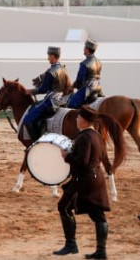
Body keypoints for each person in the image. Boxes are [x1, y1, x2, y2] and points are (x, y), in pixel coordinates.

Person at [54, 106, 110, 258]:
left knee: (63, 207)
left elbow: (82, 161)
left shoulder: (85, 137)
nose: (77, 119)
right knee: (98, 215)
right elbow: (101, 155)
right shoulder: (96, 135)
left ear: (84, 121)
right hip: (97, 178)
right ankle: (101, 251)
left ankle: (71, 245)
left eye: (78, 117)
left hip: (84, 180)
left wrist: (67, 156)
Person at [23, 46, 71, 142]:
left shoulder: (50, 71)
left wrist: (31, 91)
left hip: (51, 100)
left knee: (27, 119)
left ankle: (36, 142)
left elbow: (43, 89)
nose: (48, 58)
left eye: (49, 56)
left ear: (53, 56)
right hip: (62, 100)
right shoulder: (64, 69)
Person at [68, 40, 103, 110]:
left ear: (87, 49)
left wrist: (72, 87)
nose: (83, 49)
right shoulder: (99, 62)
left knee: (71, 104)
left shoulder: (85, 63)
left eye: (84, 48)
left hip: (88, 89)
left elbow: (80, 79)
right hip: (98, 88)